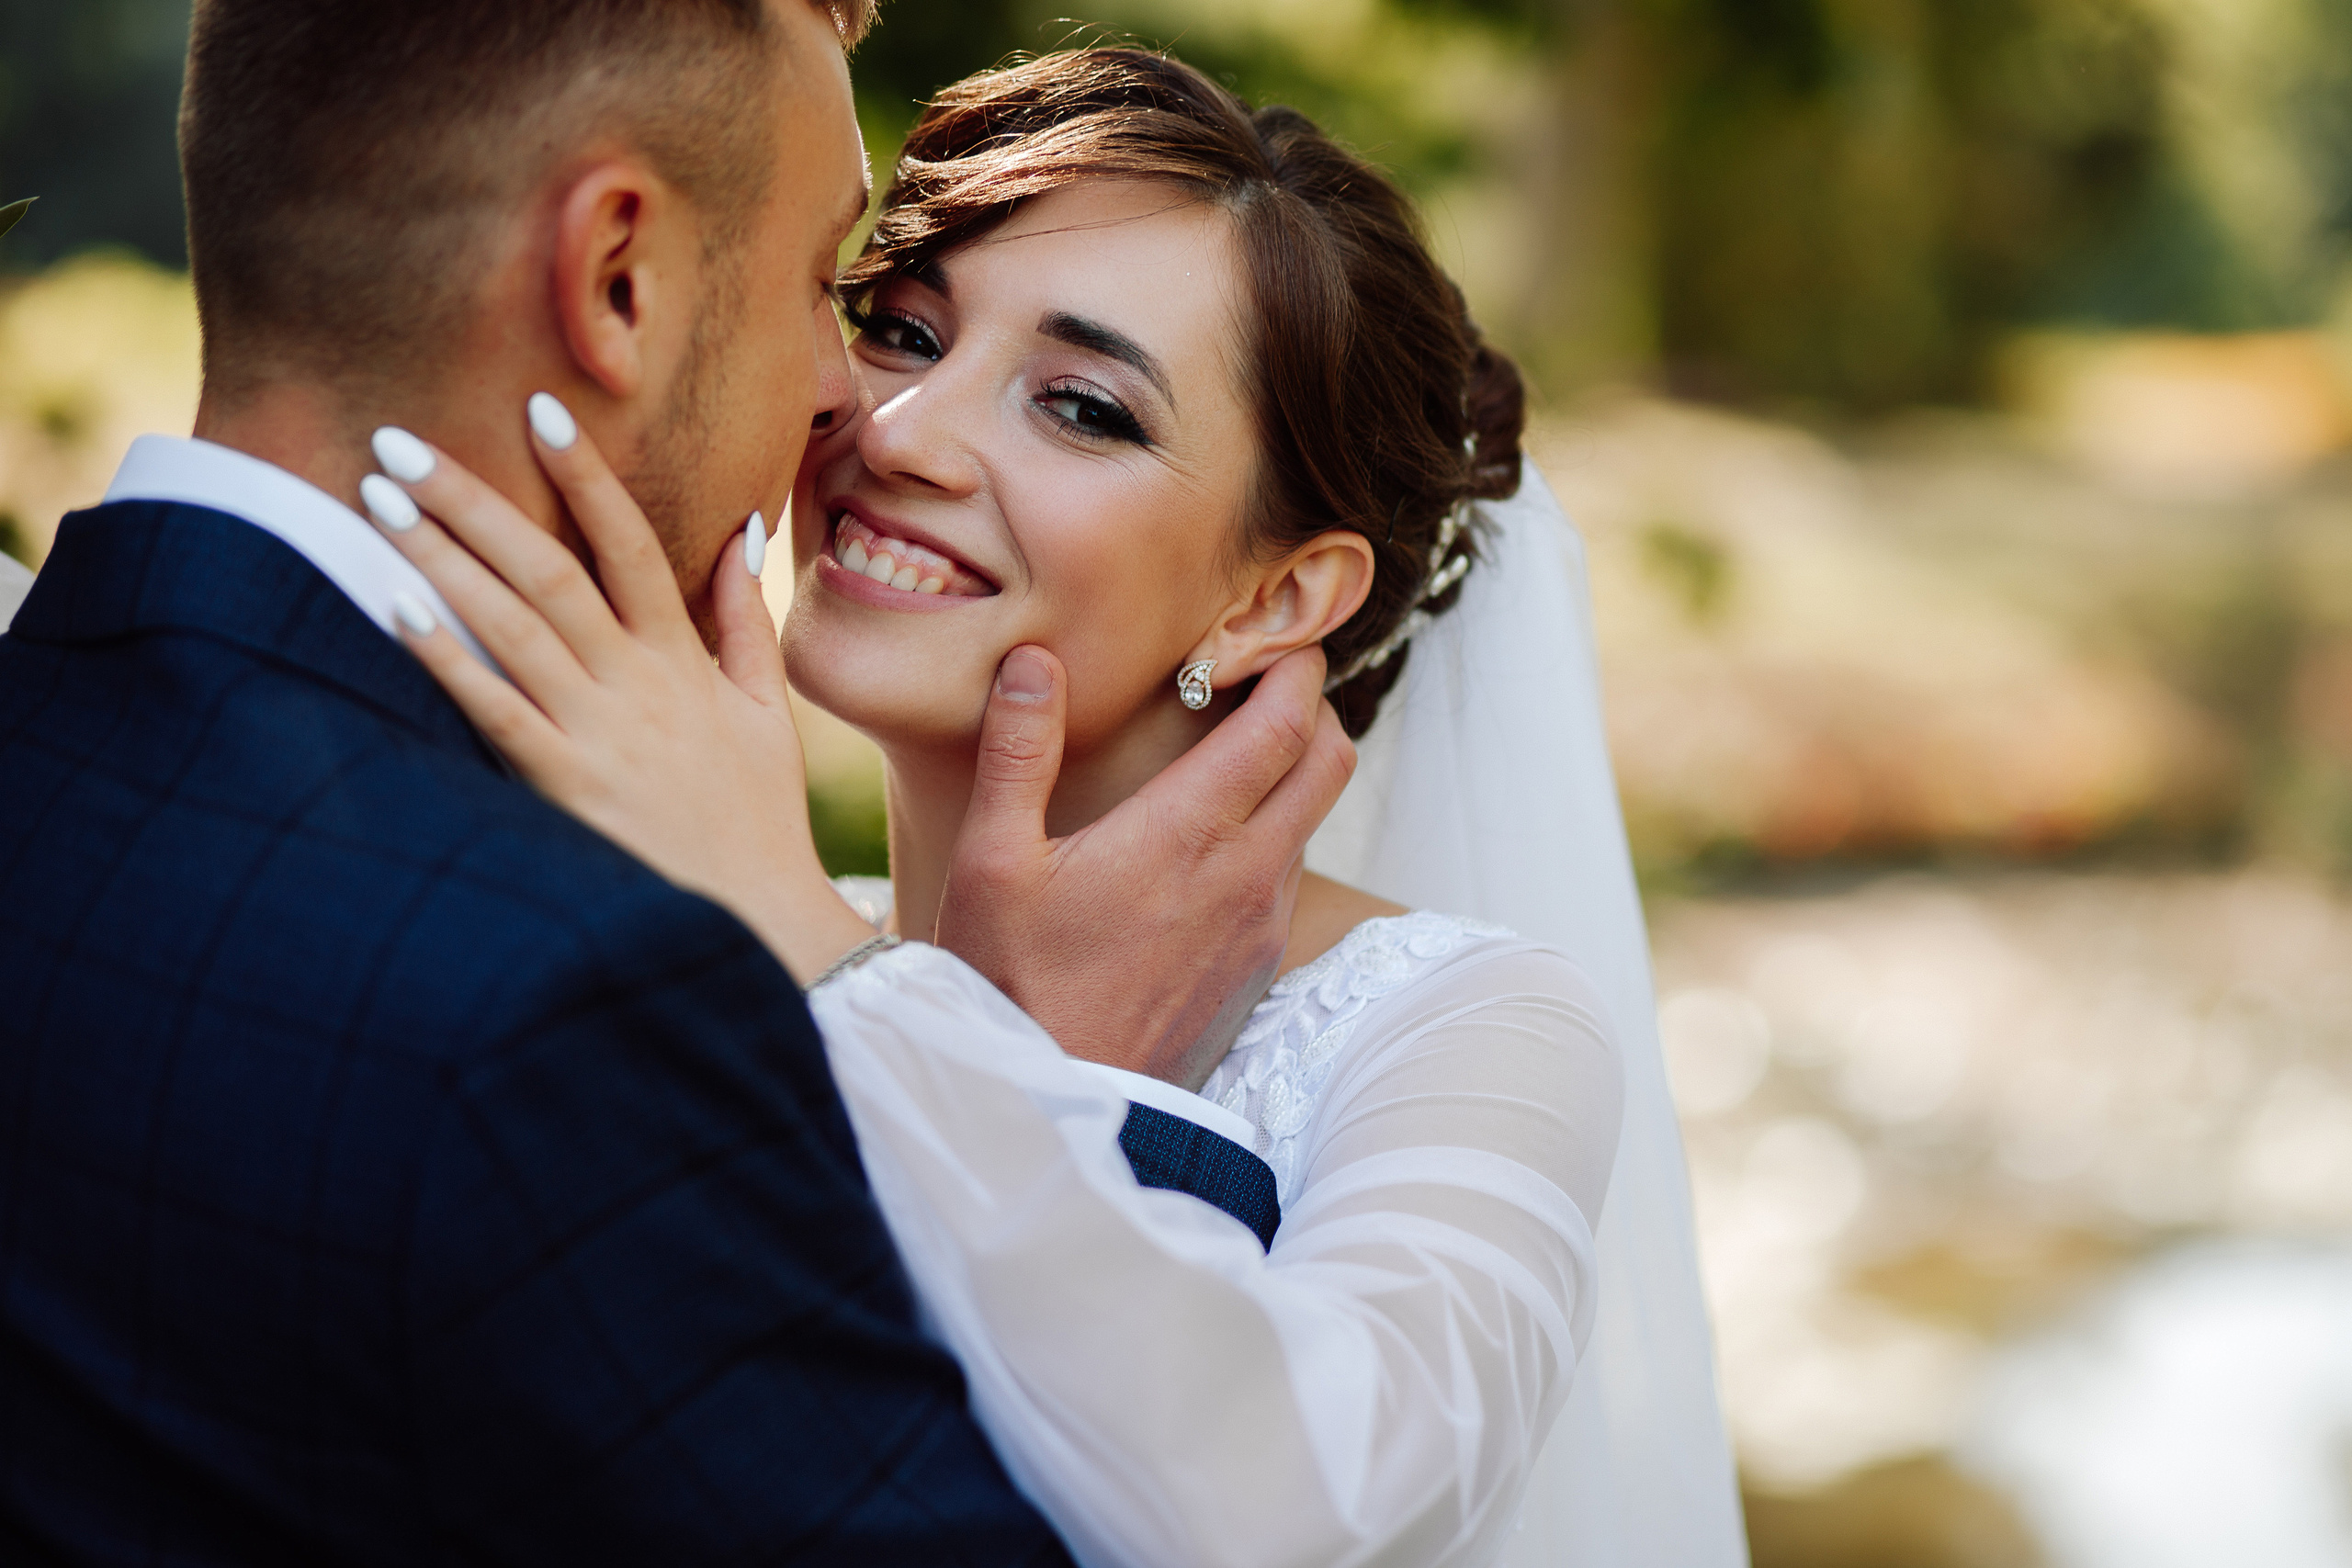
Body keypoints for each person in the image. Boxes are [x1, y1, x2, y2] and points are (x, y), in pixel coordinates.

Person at [0, 6, 1354, 1562]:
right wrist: (1032, 1081)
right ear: (616, 280)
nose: (854, 406)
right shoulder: (565, 1003)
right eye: (827, 289)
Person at [369, 49, 1745, 1567]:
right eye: (900, 328)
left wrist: (845, 975)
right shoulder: (672, 913)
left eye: (1081, 407)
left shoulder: (1470, 1031)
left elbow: (1294, 1512)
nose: (897, 432)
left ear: (1278, 595)